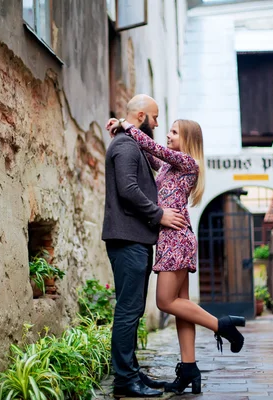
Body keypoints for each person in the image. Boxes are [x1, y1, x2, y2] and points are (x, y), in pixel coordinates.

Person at [106, 116, 247, 395]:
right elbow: (149, 154)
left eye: (174, 132)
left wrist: (127, 125)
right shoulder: (170, 167)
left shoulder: (188, 163)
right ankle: (189, 369)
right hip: (173, 238)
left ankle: (222, 324)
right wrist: (122, 133)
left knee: (164, 301)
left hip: (176, 239)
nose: (168, 135)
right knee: (181, 305)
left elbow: (156, 150)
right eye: (168, 130)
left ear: (188, 140)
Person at [102, 94, 188, 398]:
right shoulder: (125, 146)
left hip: (135, 239)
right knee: (128, 310)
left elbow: (155, 156)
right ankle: (125, 381)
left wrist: (123, 127)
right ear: (141, 116)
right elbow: (128, 190)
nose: (157, 123)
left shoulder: (131, 142)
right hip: (127, 240)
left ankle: (132, 373)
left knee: (134, 309)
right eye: (155, 117)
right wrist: (160, 214)